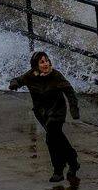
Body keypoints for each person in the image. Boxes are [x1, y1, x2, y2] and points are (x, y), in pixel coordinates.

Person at [9, 50, 80, 182]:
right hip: (42, 113)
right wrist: (14, 84)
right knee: (57, 137)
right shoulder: (30, 75)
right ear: (36, 65)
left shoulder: (56, 76)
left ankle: (58, 171)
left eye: (47, 61)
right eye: (42, 62)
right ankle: (73, 161)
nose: (46, 64)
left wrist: (74, 109)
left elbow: (70, 92)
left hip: (57, 112)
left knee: (51, 139)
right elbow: (17, 80)